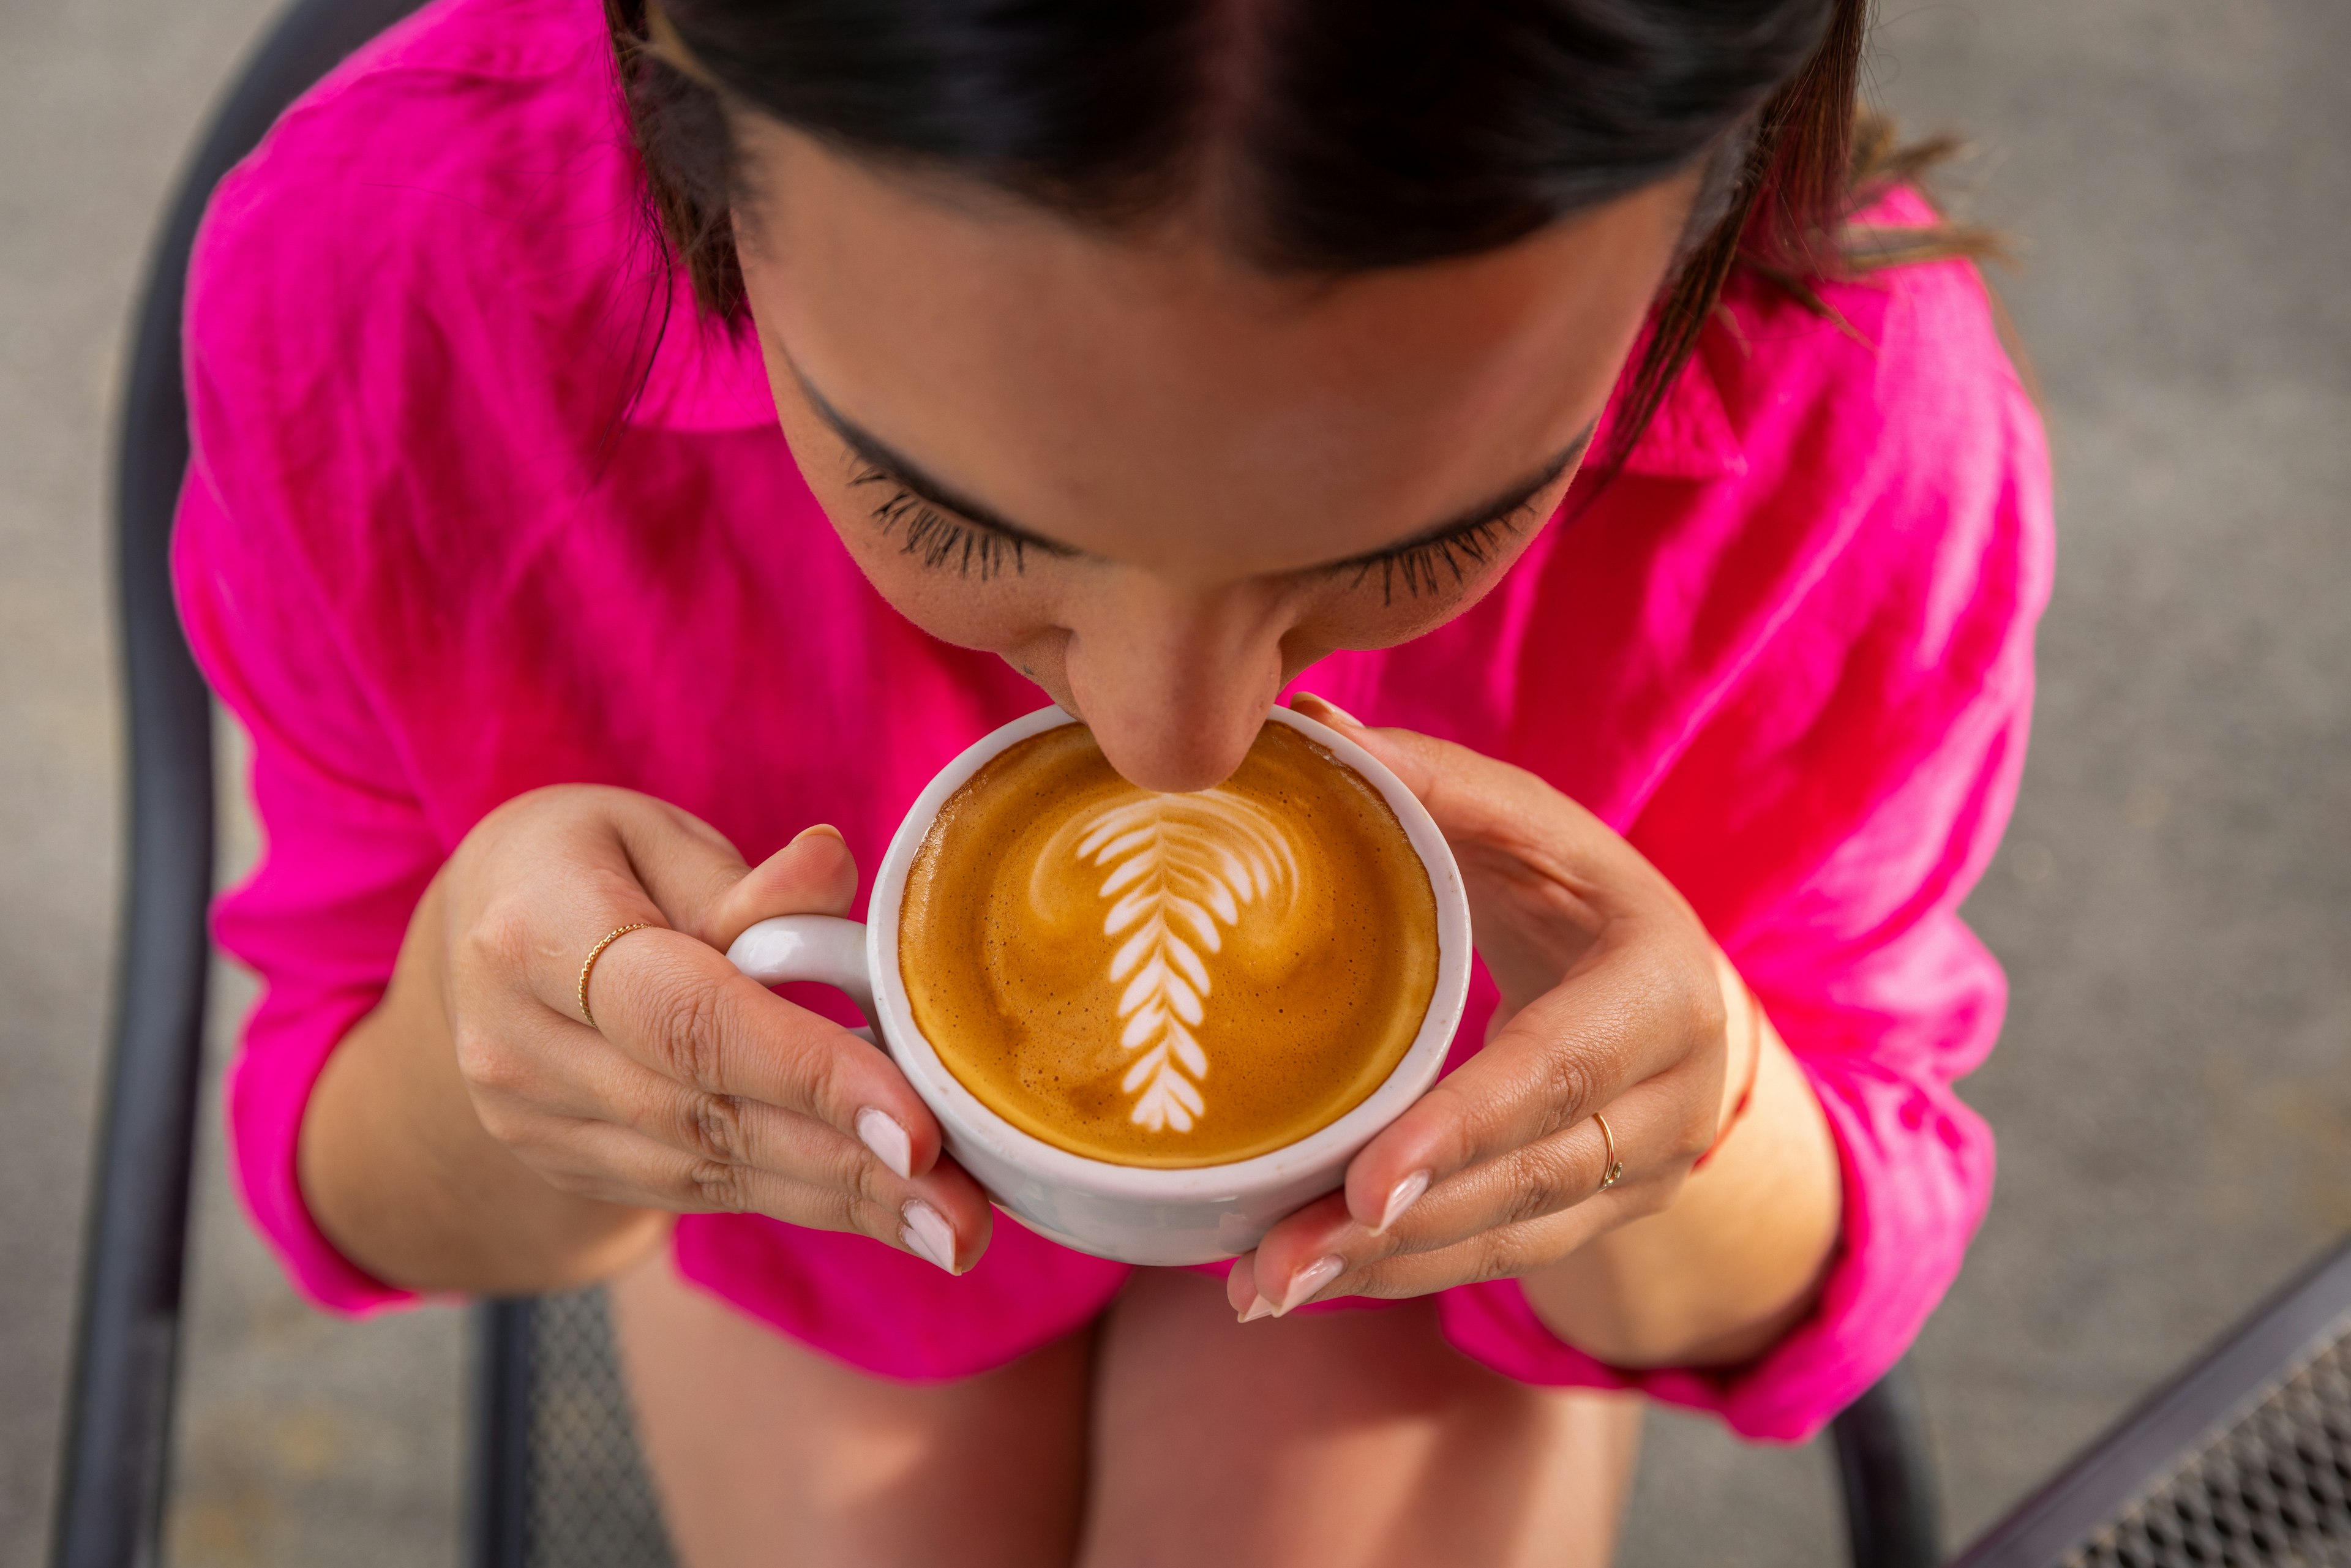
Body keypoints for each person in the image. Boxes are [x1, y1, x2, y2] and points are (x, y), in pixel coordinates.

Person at [175, 0, 2049, 1561]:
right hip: (833, 1239)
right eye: (942, 507)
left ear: (1710, 186)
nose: (1175, 743)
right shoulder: (398, 300)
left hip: (1421, 1288)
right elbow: (354, 1182)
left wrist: (1693, 1110)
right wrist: (495, 1041)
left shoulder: (1854, 430)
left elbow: (1798, 1280)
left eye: (1420, 539)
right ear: (678, 66)